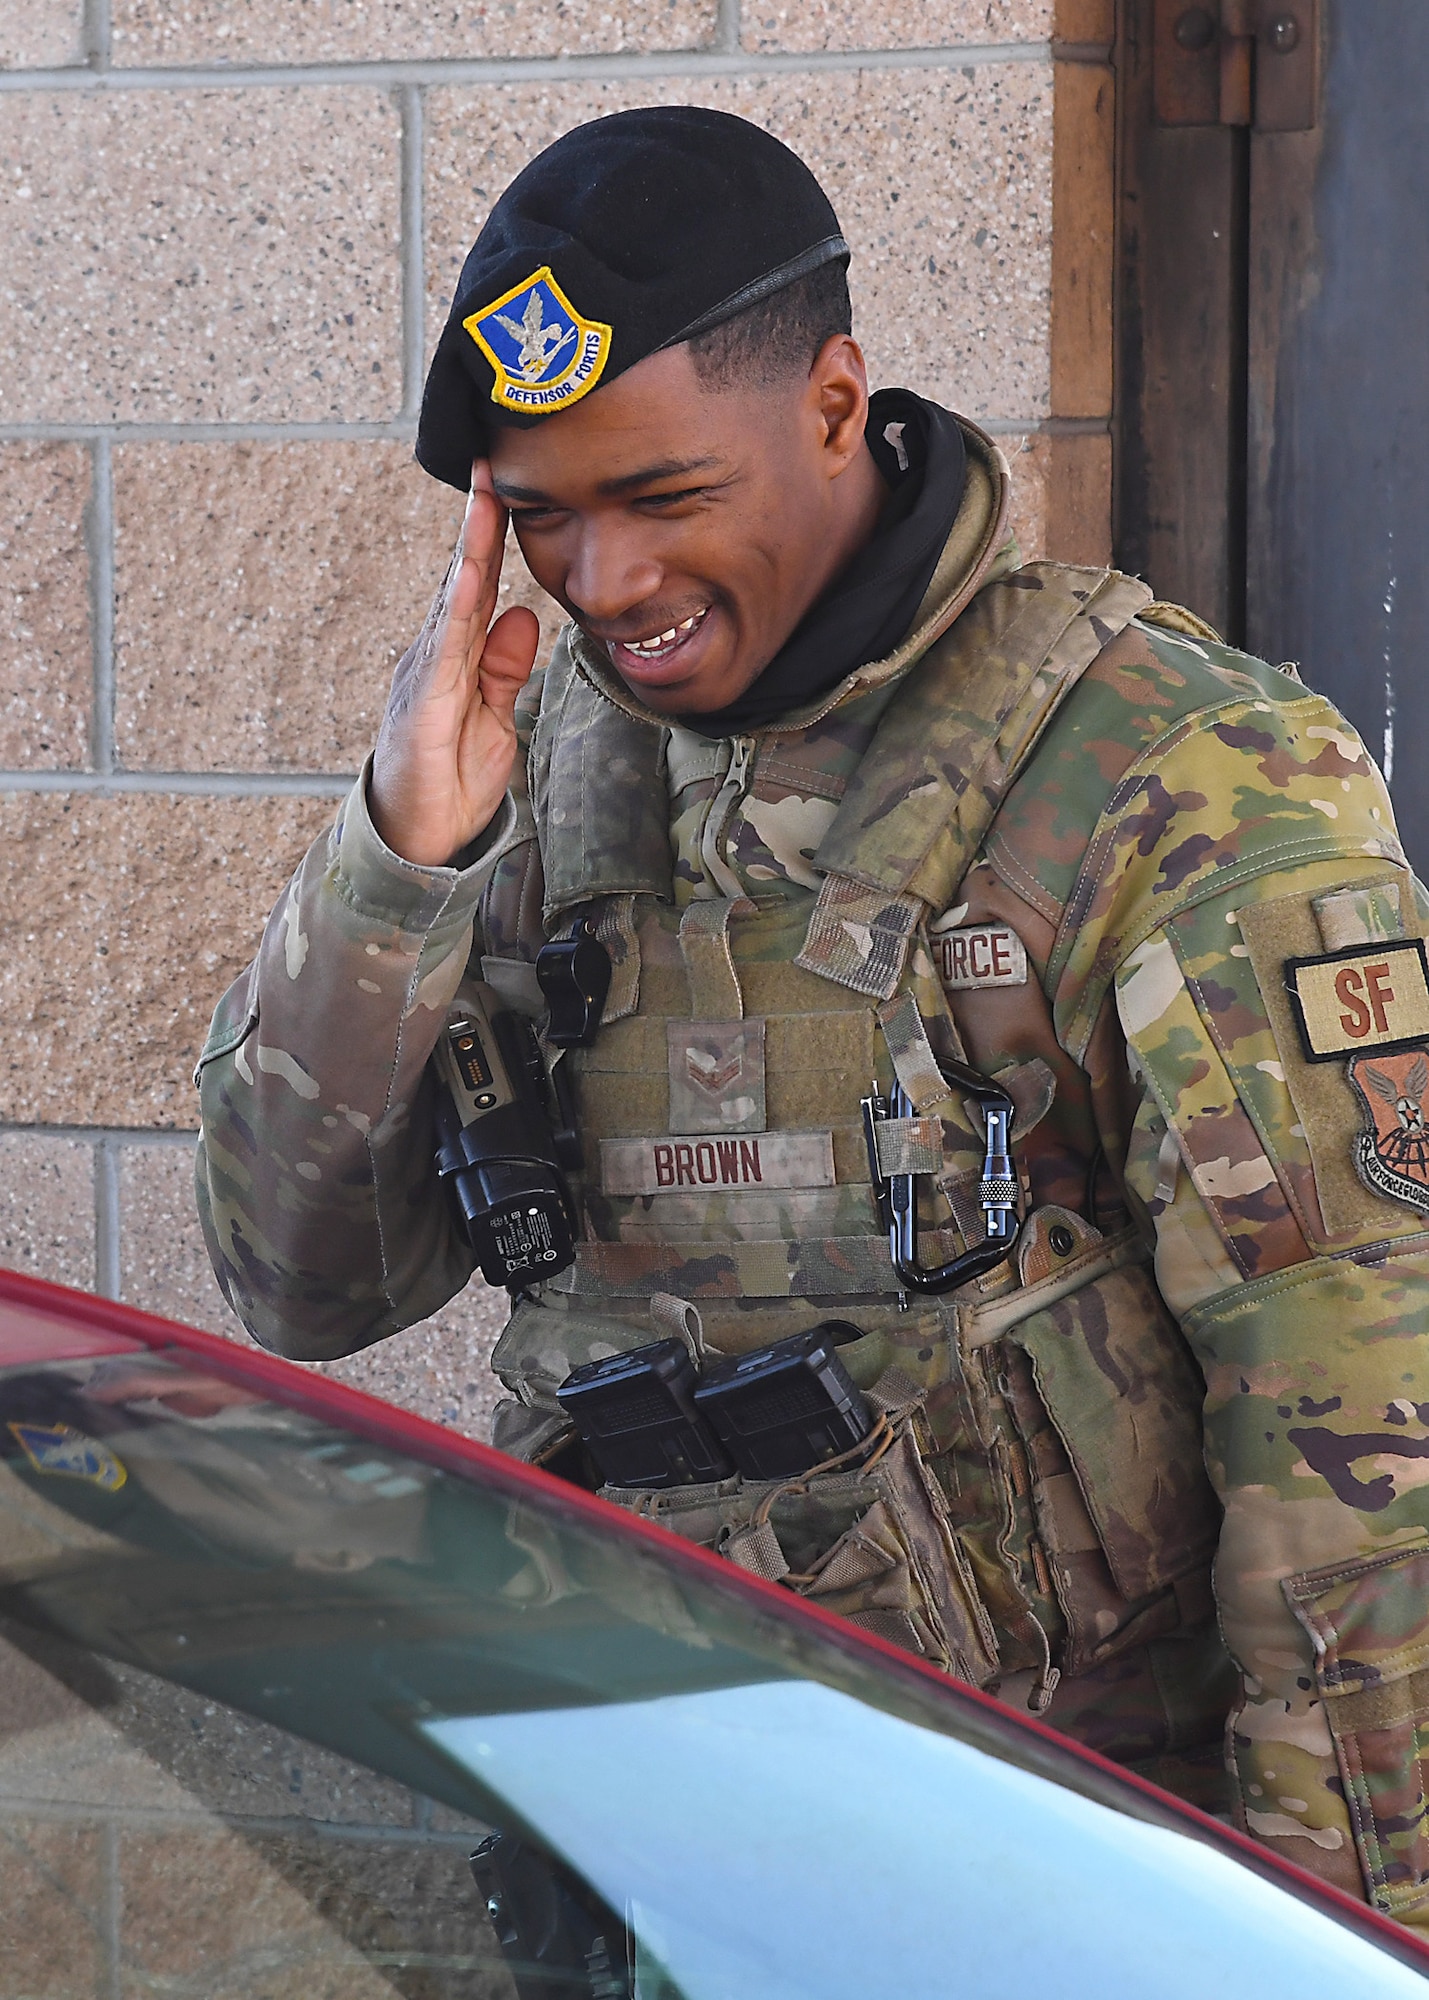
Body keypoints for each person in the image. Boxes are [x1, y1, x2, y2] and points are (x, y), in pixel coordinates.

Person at [196, 106, 1429, 1929]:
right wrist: (399, 860)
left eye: (664, 498)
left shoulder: (1172, 770)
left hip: (1040, 1874)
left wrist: (1325, 1936)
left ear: (835, 401)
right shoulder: (514, 771)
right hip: (628, 1841)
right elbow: (298, 1291)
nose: (605, 587)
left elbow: (1359, 1437)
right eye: (539, 518)